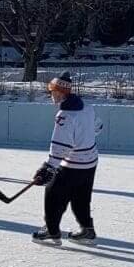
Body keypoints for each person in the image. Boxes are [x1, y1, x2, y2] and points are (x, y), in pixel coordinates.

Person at [32, 72, 100, 245]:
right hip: (90, 161)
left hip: (73, 164)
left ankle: (52, 231)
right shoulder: (87, 107)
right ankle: (87, 230)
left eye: (53, 91)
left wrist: (49, 167)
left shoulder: (64, 115)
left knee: (52, 194)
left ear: (60, 92)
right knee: (81, 197)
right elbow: (98, 127)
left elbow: (60, 146)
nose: (51, 94)